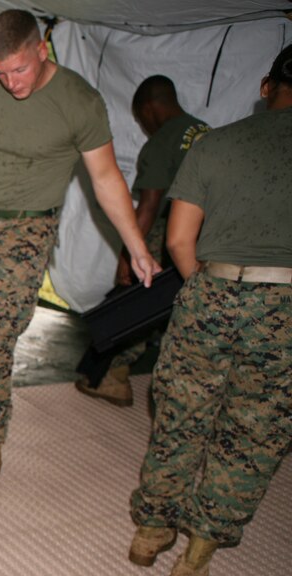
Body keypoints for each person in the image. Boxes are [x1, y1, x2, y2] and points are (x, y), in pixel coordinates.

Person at [0, 9, 158, 491]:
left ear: (41, 50)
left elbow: (106, 178)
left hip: (28, 234)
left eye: (19, 70)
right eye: (1, 72)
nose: (10, 82)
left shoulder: (78, 102)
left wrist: (136, 247)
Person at [128, 45, 292, 576]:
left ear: (267, 86)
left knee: (179, 413)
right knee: (252, 433)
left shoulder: (215, 143)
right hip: (287, 305)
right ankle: (196, 557)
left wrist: (210, 290)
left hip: (214, 289)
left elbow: (177, 239)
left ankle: (151, 532)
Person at [75, 75, 210, 406]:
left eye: (140, 119)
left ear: (149, 108)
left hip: (178, 228)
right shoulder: (206, 132)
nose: (144, 127)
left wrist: (127, 255)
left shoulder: (163, 141)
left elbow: (149, 206)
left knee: (140, 296)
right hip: (214, 235)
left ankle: (113, 375)